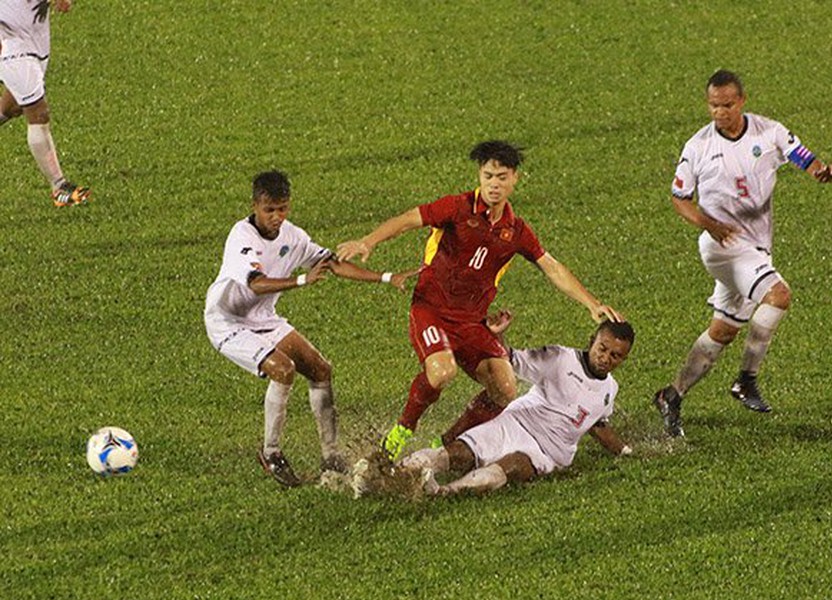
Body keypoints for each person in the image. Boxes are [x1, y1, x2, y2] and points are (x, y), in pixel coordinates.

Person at [336, 140, 622, 461]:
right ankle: (400, 434)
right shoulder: (457, 208)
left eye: (501, 177)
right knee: (443, 372)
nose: (493, 185)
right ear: (479, 175)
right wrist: (368, 241)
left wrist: (591, 303)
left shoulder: (516, 231)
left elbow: (551, 267)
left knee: (505, 389)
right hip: (432, 310)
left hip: (472, 322)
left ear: (515, 178)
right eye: (487, 176)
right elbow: (407, 219)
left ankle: (444, 445)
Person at [653, 70, 832, 438]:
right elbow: (679, 199)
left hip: (755, 246)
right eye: (713, 106)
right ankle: (746, 380)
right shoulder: (698, 147)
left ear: (741, 101)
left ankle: (671, 395)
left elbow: (801, 154)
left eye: (726, 105)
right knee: (779, 295)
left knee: (723, 331)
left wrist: (820, 170)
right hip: (721, 246)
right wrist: (708, 223)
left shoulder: (768, 132)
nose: (719, 112)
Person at [204, 170, 416, 487]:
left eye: (283, 208)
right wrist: (302, 280)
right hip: (227, 322)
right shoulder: (242, 237)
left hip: (263, 317)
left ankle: (331, 456)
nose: (276, 217)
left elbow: (331, 263)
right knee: (283, 369)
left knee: (320, 369)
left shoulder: (293, 236)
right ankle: (271, 452)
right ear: (255, 206)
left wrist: (386, 277)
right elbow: (257, 283)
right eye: (269, 210)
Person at [384, 314, 635, 497]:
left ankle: (444, 492)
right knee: (460, 453)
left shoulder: (609, 390)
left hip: (547, 454)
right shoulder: (559, 358)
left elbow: (598, 425)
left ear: (624, 358)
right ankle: (392, 475)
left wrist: (625, 452)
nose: (605, 358)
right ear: (592, 340)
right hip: (516, 422)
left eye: (615, 356)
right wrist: (497, 336)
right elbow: (511, 359)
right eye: (602, 349)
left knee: (511, 468)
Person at [0, 0, 90, 206]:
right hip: (8, 40)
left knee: (12, 106)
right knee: (38, 112)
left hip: (34, 36)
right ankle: (59, 186)